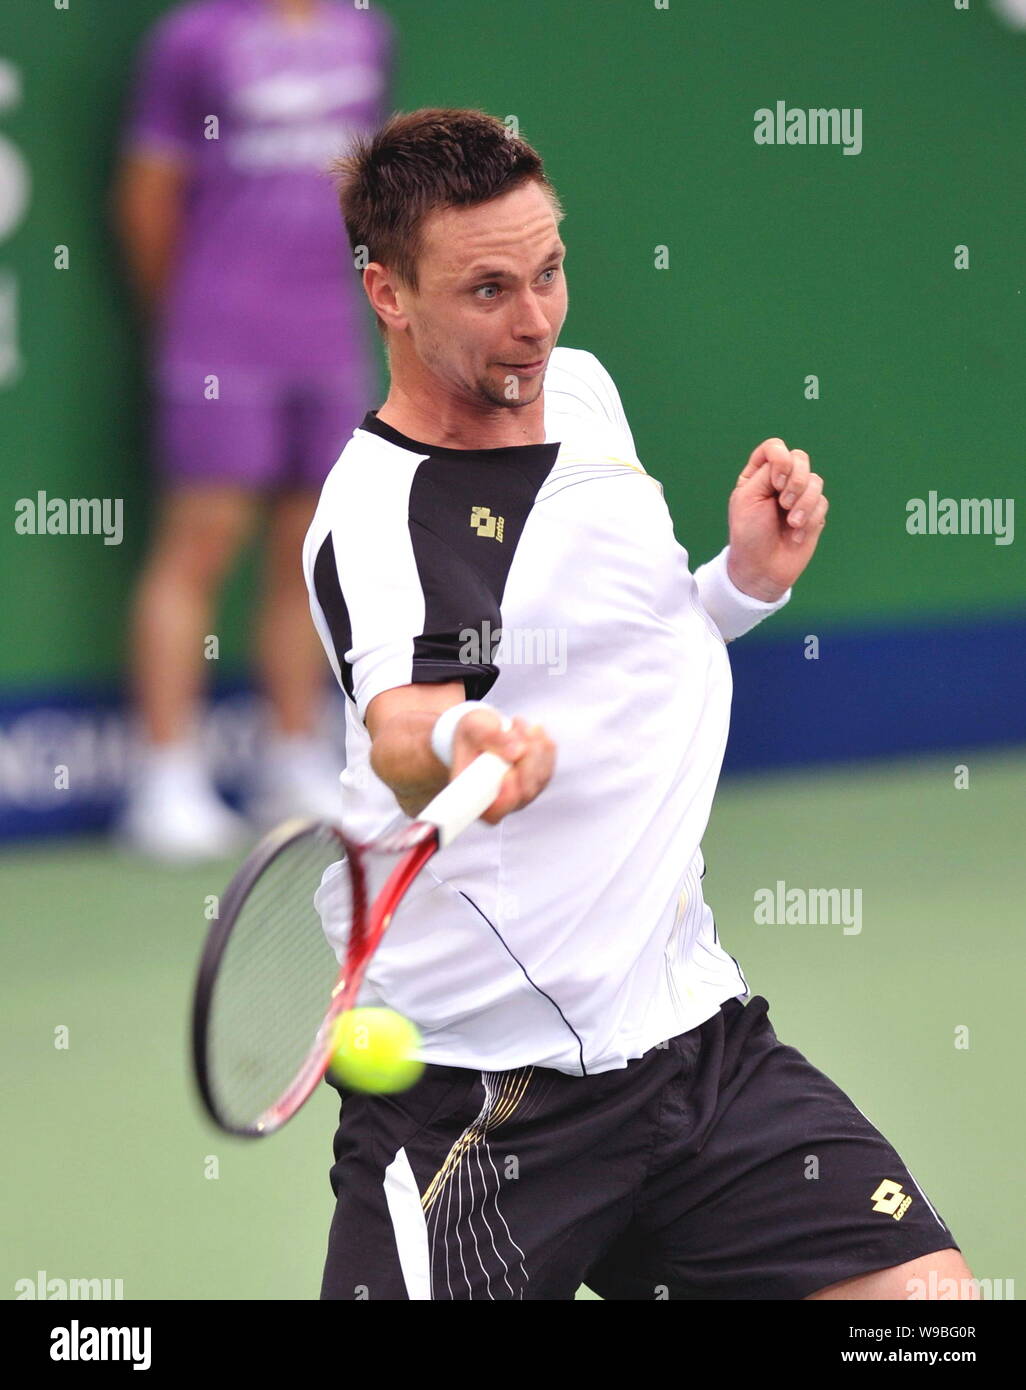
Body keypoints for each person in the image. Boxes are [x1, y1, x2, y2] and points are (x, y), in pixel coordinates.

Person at [302, 108, 975, 1301]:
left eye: (552, 269)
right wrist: (468, 738)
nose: (537, 319)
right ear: (387, 295)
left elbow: (632, 639)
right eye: (489, 288)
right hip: (482, 1098)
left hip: (688, 1036)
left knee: (921, 1307)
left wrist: (740, 583)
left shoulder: (584, 391)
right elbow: (403, 724)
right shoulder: (380, 520)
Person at [113, 0, 394, 860]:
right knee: (204, 538)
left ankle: (294, 753)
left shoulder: (364, 29)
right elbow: (147, 197)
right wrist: (197, 317)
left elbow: (366, 191)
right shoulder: (192, 37)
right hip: (220, 332)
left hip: (329, 333)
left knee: (311, 550)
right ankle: (164, 775)